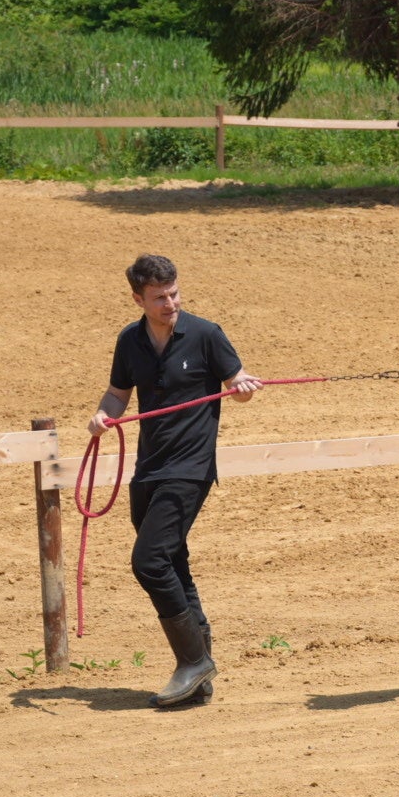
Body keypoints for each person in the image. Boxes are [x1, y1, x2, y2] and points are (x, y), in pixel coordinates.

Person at [88, 254, 262, 707]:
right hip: (148, 470)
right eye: (160, 298)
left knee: (148, 561)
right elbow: (118, 393)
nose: (170, 304)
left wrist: (241, 387)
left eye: (174, 294)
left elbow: (236, 379)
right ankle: (200, 672)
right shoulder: (129, 341)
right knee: (172, 562)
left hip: (190, 469)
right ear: (138, 299)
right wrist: (103, 417)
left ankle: (192, 661)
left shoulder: (205, 333)